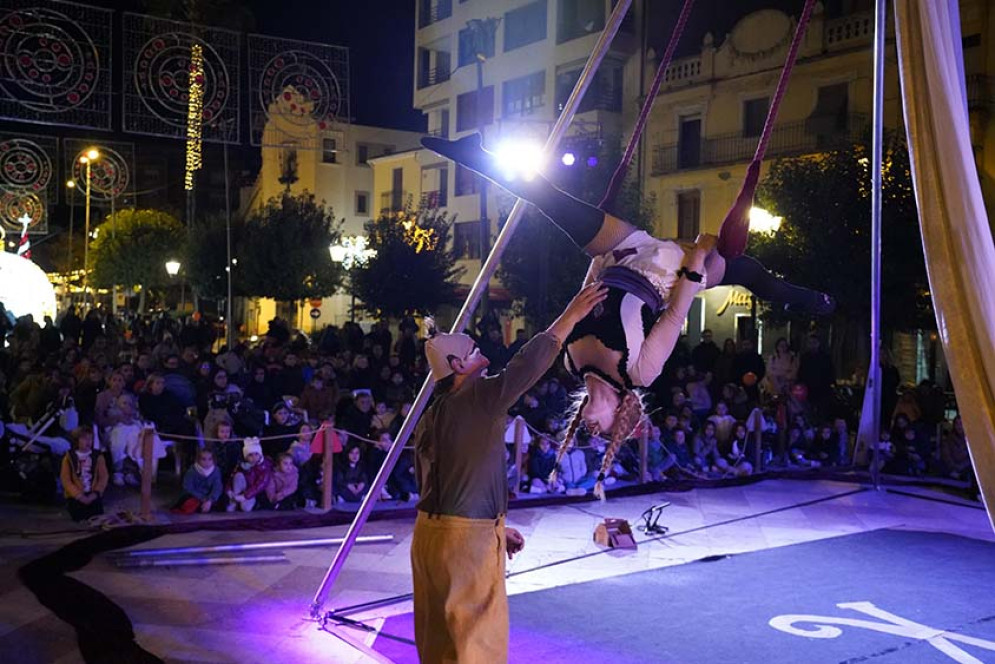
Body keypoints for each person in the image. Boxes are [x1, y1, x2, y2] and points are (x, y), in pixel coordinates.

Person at [423, 133, 834, 445]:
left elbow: (583, 300)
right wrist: (699, 258)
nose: (589, 429)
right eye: (600, 432)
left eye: (588, 431)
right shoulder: (640, 371)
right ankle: (815, 300)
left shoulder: (569, 365)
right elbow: (675, 314)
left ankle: (472, 152)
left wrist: (598, 258)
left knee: (548, 200)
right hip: (667, 275)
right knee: (752, 273)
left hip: (622, 254)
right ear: (619, 415)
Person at [410, 281, 604, 664]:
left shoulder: (434, 413)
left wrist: (497, 529)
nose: (477, 347)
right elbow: (528, 364)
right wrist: (573, 315)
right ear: (457, 366)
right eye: (470, 349)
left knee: (439, 642)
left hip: (432, 537)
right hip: (465, 542)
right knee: (476, 641)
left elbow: (438, 479)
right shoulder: (480, 397)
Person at [60, 427, 108, 522]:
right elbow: (66, 479)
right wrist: (78, 495)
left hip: (92, 494)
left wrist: (95, 493)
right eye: (85, 439)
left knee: (97, 516)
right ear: (77, 440)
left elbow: (103, 477)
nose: (88, 441)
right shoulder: (69, 457)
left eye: (90, 438)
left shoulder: (98, 456)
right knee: (78, 517)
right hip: (76, 496)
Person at [226, 437, 272, 512]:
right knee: (238, 476)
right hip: (242, 488)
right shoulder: (242, 465)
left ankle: (243, 501)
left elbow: (259, 485)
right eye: (250, 455)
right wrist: (229, 490)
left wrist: (245, 496)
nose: (254, 457)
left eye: (256, 454)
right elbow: (232, 477)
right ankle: (234, 501)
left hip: (253, 494)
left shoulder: (264, 467)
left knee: (245, 508)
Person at [173, 448, 223, 514]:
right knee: (187, 501)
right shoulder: (192, 471)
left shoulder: (216, 470)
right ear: (198, 460)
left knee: (223, 499)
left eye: (210, 459)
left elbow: (217, 487)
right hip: (195, 496)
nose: (207, 462)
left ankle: (206, 506)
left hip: (209, 497)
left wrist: (210, 500)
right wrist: (202, 498)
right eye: (203, 459)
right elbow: (188, 488)